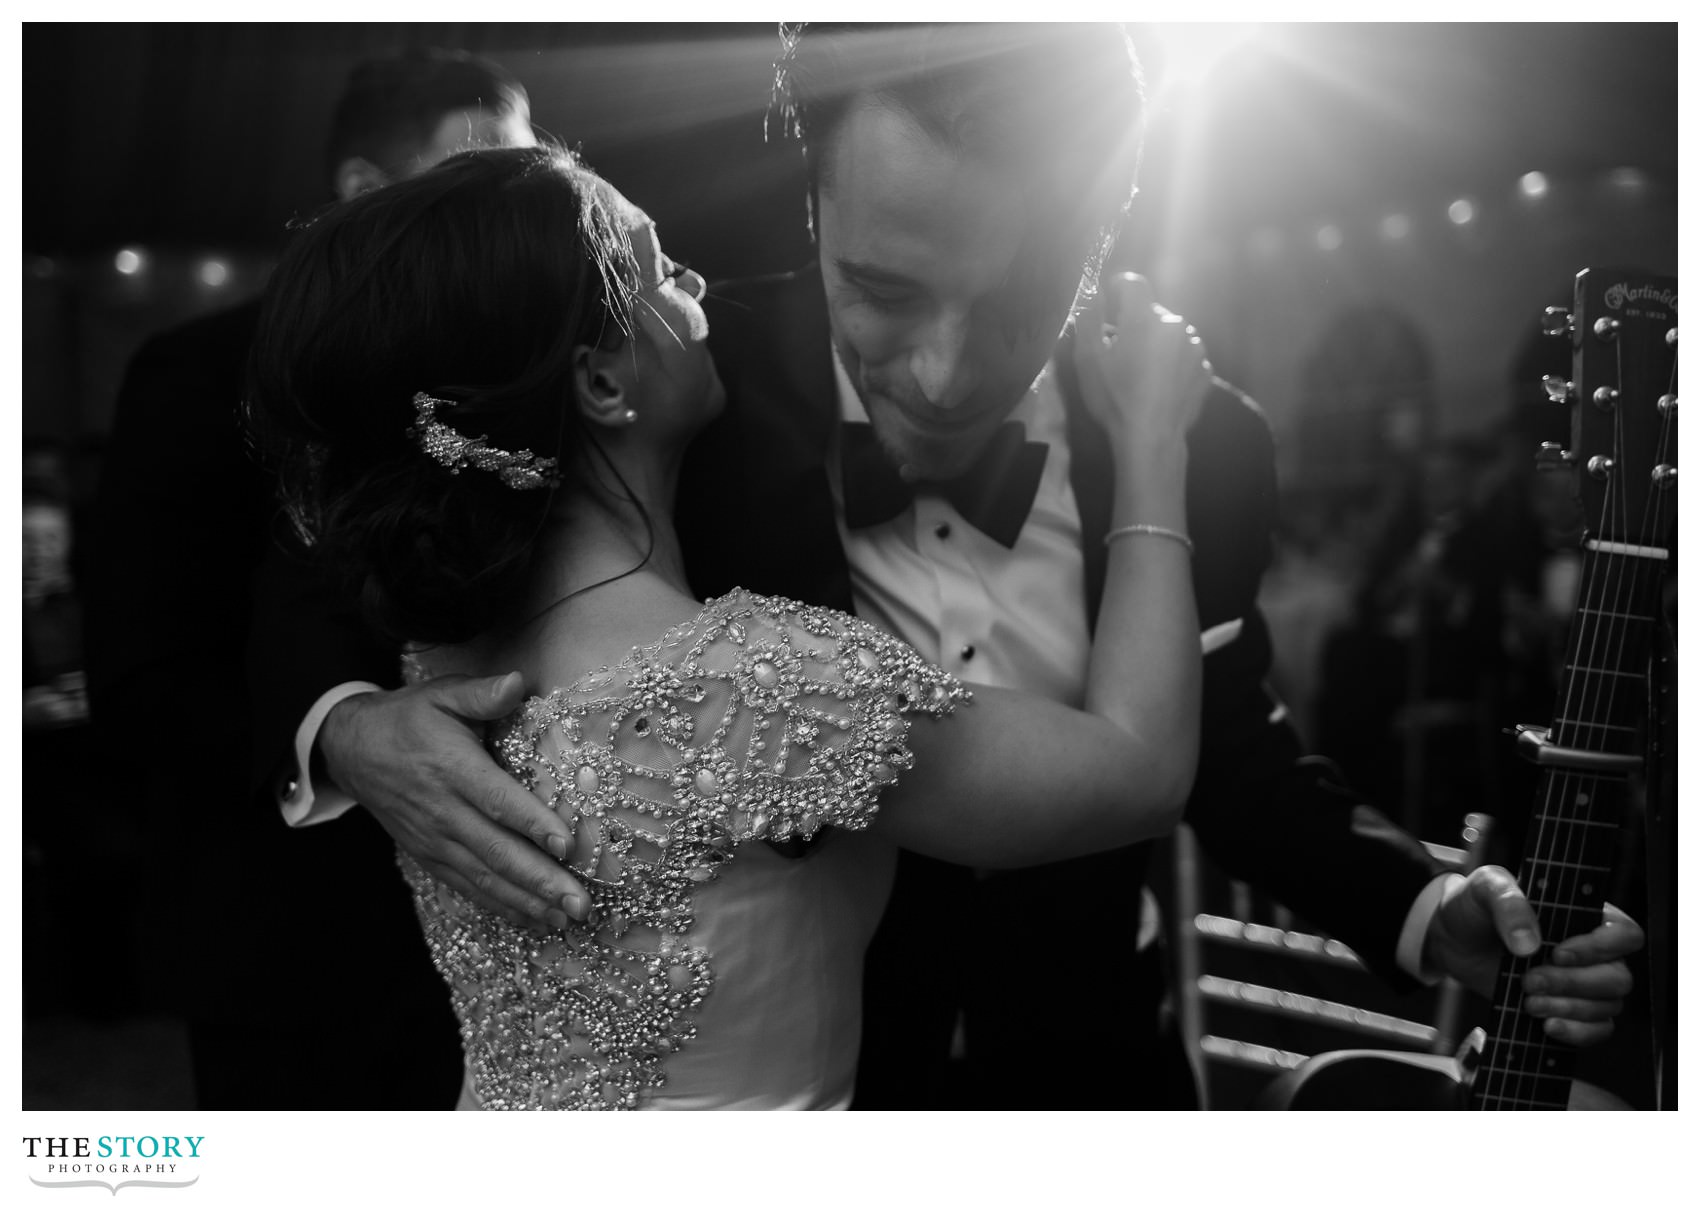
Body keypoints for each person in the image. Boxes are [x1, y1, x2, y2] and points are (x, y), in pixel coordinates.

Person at [261, 24, 1642, 1109]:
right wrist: (353, 726)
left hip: (1094, 1075)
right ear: (810, 205)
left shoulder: (1203, 438)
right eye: (885, 291)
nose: (940, 372)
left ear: (1108, 240)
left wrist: (1418, 901)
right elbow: (378, 521)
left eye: (1022, 299)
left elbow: (1223, 730)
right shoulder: (673, 393)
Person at [245, 141, 1214, 1110]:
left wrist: (358, 719)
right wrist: (1154, 442)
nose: (700, 282)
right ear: (602, 384)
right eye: (664, 268)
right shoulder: (756, 680)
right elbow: (1142, 767)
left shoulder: (435, 672)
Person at [83, 47, 538, 1109]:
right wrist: (340, 732)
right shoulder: (201, 376)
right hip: (294, 945)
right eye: (477, 178)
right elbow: (143, 680)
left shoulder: (525, 376)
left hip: (510, 947)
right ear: (363, 195)